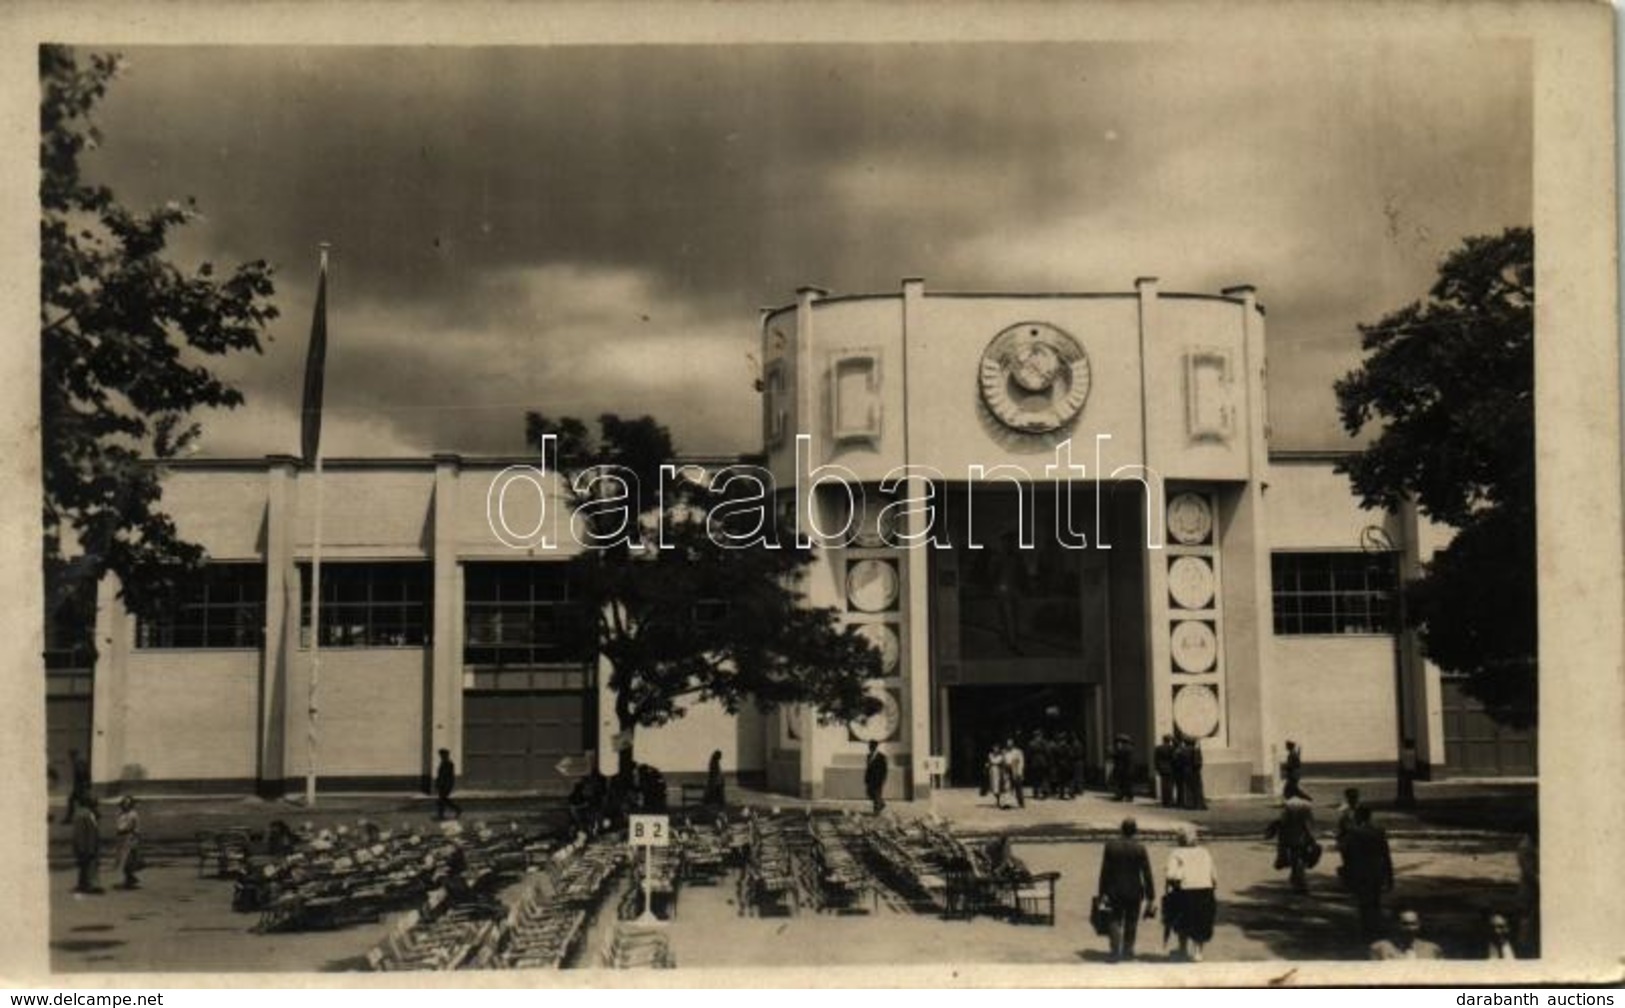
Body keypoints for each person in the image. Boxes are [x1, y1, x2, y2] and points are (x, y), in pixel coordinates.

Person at [1096, 817, 1156, 962]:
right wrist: (1150, 895)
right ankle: (1128, 951)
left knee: (1114, 919)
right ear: (1135, 831)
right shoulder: (1140, 848)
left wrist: (1101, 892)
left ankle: (1115, 950)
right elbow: (1146, 873)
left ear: (1121, 829)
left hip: (1114, 889)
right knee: (1131, 921)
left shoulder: (1110, 846)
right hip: (1134, 891)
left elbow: (1105, 871)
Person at [1163, 826, 1218, 962]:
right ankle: (1198, 952)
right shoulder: (1205, 852)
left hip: (1185, 891)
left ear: (1180, 839)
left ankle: (1183, 949)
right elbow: (1214, 876)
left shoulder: (1177, 853)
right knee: (1202, 921)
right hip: (1205, 890)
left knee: (1182, 921)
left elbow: (1171, 875)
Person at [1339, 805, 1394, 939]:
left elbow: (1347, 853)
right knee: (1375, 901)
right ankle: (1376, 927)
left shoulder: (1354, 832)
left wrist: (1346, 870)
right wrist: (1389, 875)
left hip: (1360, 871)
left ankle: (1367, 929)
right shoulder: (1379, 831)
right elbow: (1385, 854)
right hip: (1376, 870)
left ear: (1358, 816)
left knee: (1364, 902)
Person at [1267, 793, 1318, 894]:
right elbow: (1308, 827)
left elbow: (1281, 824)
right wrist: (1312, 839)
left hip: (1292, 839)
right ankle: (1299, 882)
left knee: (1296, 861)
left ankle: (1297, 881)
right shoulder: (1304, 812)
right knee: (1299, 861)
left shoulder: (1288, 814)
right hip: (1301, 840)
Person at [1369, 908, 1443, 960]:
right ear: (1396, 924)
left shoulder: (1432, 949)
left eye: (1413, 924)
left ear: (1419, 925)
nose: (1409, 928)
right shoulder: (1380, 948)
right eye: (1405, 924)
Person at [71, 795, 102, 895]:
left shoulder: (88, 813)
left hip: (88, 845)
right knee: (88, 865)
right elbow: (80, 833)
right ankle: (88, 885)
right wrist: (83, 848)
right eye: (95, 803)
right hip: (86, 846)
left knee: (86, 865)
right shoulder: (83, 814)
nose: (97, 805)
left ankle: (84, 884)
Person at [568, 766, 609, 836]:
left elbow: (574, 805)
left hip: (591, 799)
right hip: (594, 797)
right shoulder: (594, 818)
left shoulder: (581, 818)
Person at [112, 795, 142, 890]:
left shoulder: (133, 814)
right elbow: (118, 825)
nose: (126, 805)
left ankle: (130, 878)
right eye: (124, 803)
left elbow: (135, 828)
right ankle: (130, 878)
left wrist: (135, 839)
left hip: (129, 837)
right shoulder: (120, 813)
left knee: (127, 859)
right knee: (121, 859)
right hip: (121, 838)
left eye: (128, 803)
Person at [62, 749, 91, 825]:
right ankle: (96, 814)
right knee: (82, 802)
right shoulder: (79, 762)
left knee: (75, 801)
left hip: (80, 787)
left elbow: (82, 774)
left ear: (73, 756)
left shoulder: (78, 763)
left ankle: (68, 819)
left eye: (71, 755)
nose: (70, 757)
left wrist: (83, 786)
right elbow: (86, 774)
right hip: (80, 787)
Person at [434, 748, 462, 821]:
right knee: (443, 800)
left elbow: (449, 776)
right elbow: (440, 775)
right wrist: (437, 783)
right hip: (442, 785)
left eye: (442, 755)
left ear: (446, 755)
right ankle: (457, 809)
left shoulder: (449, 763)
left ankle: (443, 815)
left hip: (446, 785)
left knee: (442, 800)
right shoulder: (443, 763)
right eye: (441, 755)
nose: (441, 756)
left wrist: (448, 786)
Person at [1183, 737, 1208, 810]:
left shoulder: (1183, 750)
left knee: (1188, 788)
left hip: (1186, 771)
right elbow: (1197, 762)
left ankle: (1190, 804)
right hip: (1194, 771)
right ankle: (1198, 804)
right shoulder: (1195, 750)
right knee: (1197, 788)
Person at [863, 740, 888, 814]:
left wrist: (883, 778)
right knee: (870, 793)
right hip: (870, 779)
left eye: (872, 746)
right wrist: (866, 778)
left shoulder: (881, 756)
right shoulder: (868, 756)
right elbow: (868, 768)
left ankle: (876, 811)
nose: (870, 748)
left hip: (878, 778)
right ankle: (882, 803)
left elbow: (884, 769)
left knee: (877, 794)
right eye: (869, 746)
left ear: (875, 747)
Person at [1110, 733, 1135, 802]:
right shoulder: (1129, 747)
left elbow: (1118, 757)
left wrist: (1112, 753)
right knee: (1128, 784)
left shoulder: (1124, 748)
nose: (1118, 742)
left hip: (1124, 769)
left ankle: (1122, 796)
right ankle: (1128, 796)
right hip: (1128, 769)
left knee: (1123, 784)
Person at [1153, 734, 1177, 808]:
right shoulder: (1171, 748)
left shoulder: (1158, 748)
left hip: (1162, 769)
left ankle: (1165, 801)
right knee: (1169, 785)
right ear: (1169, 740)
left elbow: (1156, 759)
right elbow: (1174, 758)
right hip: (1170, 768)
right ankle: (1169, 801)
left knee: (1163, 785)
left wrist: (1157, 768)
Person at [1003, 737, 1026, 809]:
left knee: (1018, 787)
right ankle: (1007, 803)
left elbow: (1021, 762)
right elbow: (1003, 761)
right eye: (1007, 743)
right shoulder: (1004, 751)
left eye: (1010, 743)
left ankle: (1021, 802)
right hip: (1007, 770)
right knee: (1007, 787)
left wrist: (1020, 772)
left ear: (1013, 744)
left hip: (1016, 770)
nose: (1009, 745)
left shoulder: (1018, 751)